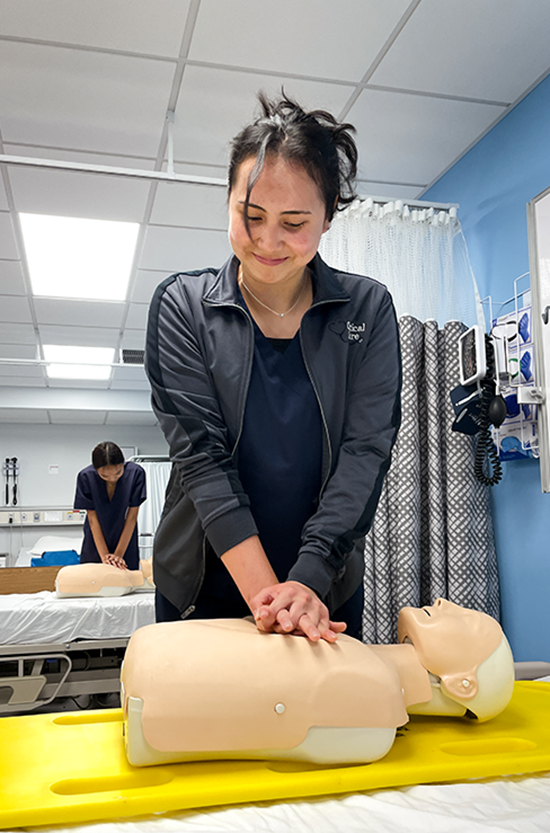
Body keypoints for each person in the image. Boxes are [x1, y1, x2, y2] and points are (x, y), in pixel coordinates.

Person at [145, 92, 401, 643]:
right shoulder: (184, 307)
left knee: (325, 729)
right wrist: (274, 603)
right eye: (251, 215)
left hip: (321, 590)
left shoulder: (367, 311)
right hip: (204, 581)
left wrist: (306, 585)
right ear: (229, 201)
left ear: (328, 217)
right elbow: (203, 460)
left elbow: (365, 454)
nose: (267, 240)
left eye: (293, 222)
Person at [74, 441, 147, 570]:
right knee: (94, 581)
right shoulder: (86, 477)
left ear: (123, 464)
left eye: (118, 473)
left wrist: (118, 555)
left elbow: (132, 517)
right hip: (96, 540)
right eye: (104, 475)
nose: (112, 479)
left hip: (125, 537)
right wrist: (105, 558)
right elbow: (92, 519)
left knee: (126, 581)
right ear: (96, 470)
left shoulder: (136, 474)